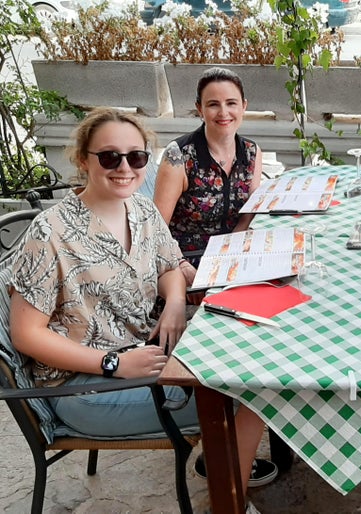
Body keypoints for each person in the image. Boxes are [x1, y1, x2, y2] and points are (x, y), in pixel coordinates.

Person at [8, 108, 273, 514]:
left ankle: (225, 474)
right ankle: (227, 498)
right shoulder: (50, 231)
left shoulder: (143, 210)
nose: (125, 168)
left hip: (145, 347)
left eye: (136, 157)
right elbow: (28, 334)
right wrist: (114, 363)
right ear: (83, 160)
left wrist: (175, 307)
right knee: (248, 394)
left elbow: (170, 265)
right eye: (109, 157)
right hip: (84, 386)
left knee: (253, 359)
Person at [154, 67, 263, 290]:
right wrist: (181, 266)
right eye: (213, 104)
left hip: (233, 253)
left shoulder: (252, 152)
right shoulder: (179, 156)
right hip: (187, 262)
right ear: (200, 109)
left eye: (231, 103)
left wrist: (233, 248)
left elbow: (249, 212)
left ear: (244, 106)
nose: (224, 112)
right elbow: (156, 228)